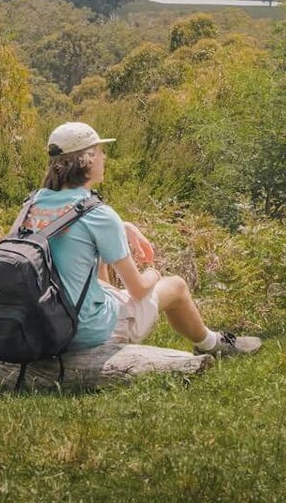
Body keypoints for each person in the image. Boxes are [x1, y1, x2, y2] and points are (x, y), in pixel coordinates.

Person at [22, 121, 261, 356]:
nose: (104, 159)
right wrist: (154, 273)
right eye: (100, 153)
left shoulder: (33, 203)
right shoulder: (98, 215)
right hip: (85, 332)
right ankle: (212, 344)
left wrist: (122, 226)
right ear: (88, 159)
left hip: (46, 323)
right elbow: (138, 290)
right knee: (176, 286)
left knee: (105, 278)